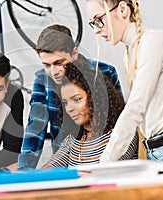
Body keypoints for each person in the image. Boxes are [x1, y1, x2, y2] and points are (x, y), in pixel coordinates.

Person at [86, 0, 163, 178]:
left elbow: (134, 110)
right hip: (161, 151)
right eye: (93, 23)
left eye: (99, 20)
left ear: (122, 9)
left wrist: (102, 165)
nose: (96, 30)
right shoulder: (133, 50)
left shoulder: (153, 42)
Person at [18, 24, 123, 169]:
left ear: (74, 53)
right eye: (47, 65)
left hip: (106, 159)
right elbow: (35, 129)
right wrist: (24, 171)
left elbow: (120, 121)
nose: (54, 71)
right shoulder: (43, 80)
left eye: (59, 63)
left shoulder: (104, 72)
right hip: (66, 159)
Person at [42, 59, 138, 168]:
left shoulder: (123, 133)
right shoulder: (73, 140)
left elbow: (105, 173)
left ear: (96, 98)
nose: (69, 109)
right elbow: (48, 170)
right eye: (65, 102)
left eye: (77, 99)